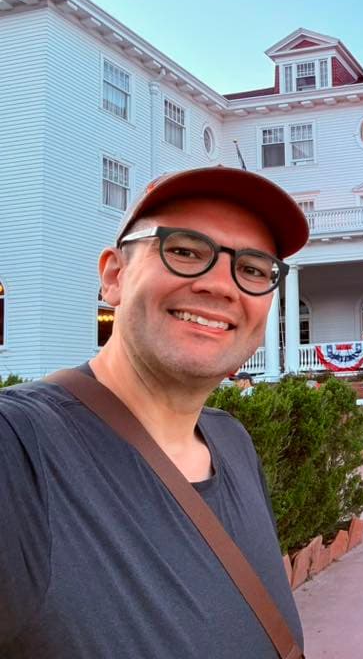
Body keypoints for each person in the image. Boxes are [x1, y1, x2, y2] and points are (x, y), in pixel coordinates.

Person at [0, 166, 308, 657]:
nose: (222, 286)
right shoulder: (19, 449)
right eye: (185, 250)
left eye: (252, 268)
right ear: (114, 277)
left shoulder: (233, 442)